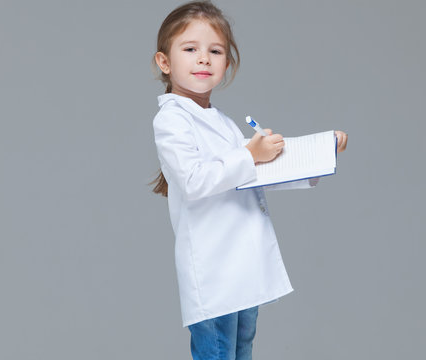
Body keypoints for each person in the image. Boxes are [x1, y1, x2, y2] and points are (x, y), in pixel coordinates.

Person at [150, 1, 348, 359]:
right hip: (215, 268)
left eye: (215, 51)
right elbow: (194, 180)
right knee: (219, 353)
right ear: (165, 62)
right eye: (190, 49)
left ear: (227, 64)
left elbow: (256, 174)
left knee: (241, 351)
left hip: (242, 267)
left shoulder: (222, 122)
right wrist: (250, 155)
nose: (204, 59)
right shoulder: (172, 121)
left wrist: (321, 152)